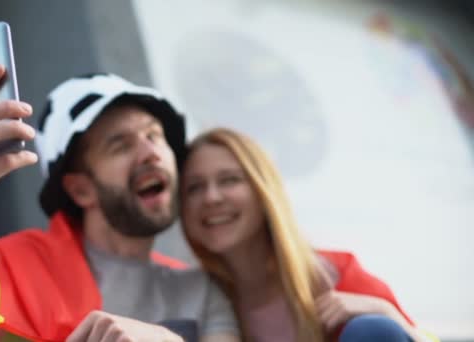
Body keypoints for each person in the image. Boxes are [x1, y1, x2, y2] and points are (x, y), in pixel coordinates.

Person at [0, 68, 239, 342]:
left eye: (154, 135)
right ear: (80, 190)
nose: (150, 151)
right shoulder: (13, 263)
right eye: (120, 145)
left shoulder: (202, 288)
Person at [179, 127, 438, 342]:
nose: (211, 197)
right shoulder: (186, 291)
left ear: (263, 191)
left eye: (229, 180)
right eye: (194, 187)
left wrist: (387, 313)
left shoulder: (335, 274)